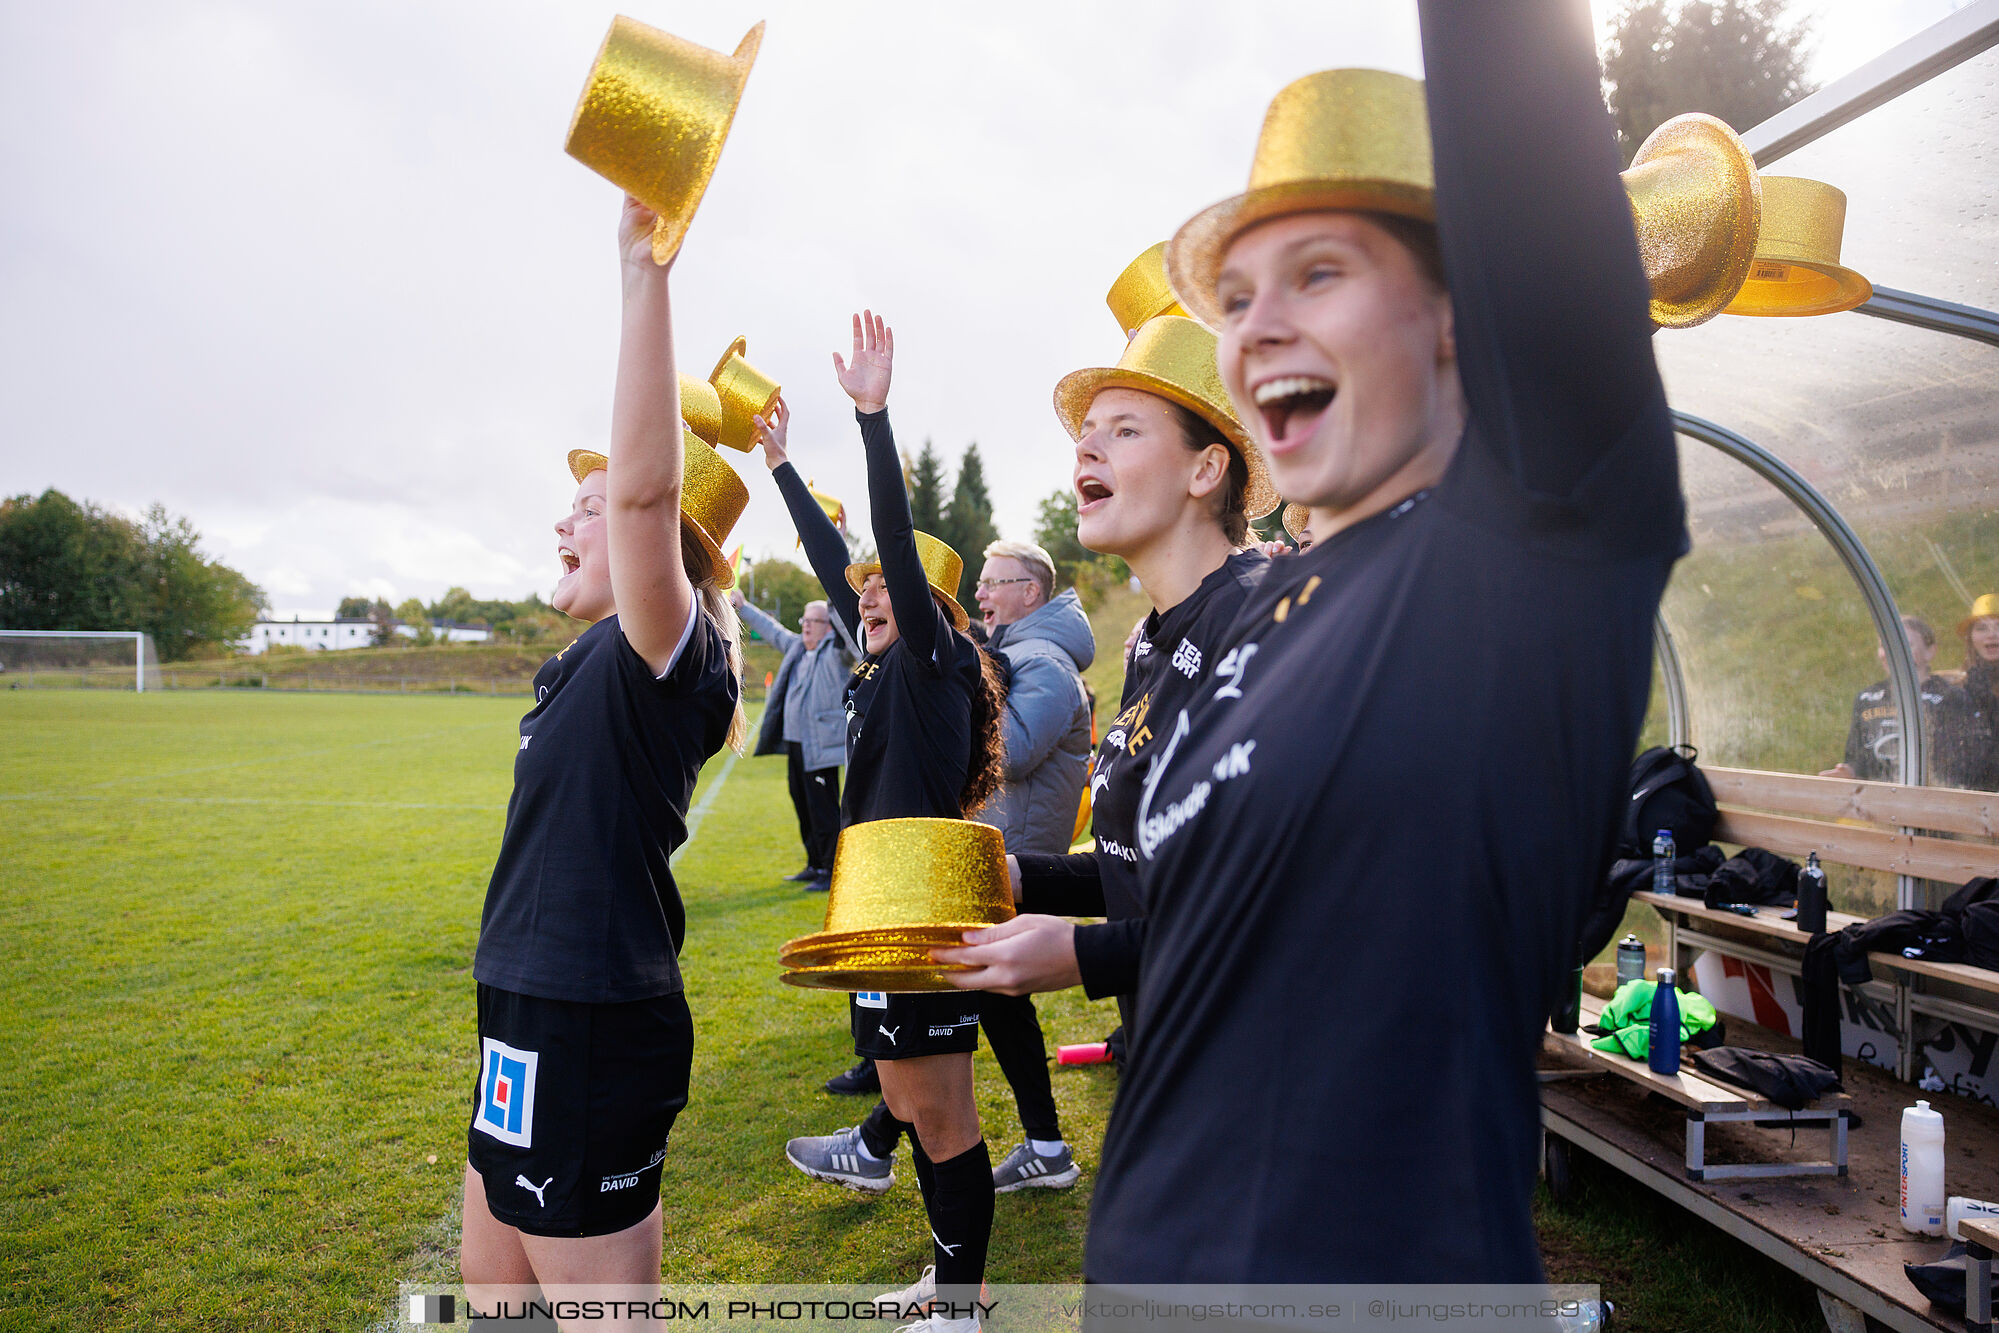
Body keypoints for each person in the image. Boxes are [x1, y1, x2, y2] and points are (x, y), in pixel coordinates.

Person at [958, 1, 1685, 1281]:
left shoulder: (1515, 557)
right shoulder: (1269, 624)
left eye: (1321, 273)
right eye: (1236, 296)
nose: (1255, 325)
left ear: (1460, 320)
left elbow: (1532, 171)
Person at [461, 197, 747, 1315]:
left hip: (592, 1017)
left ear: (652, 554)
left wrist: (644, 275)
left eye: (585, 509)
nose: (566, 524)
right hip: (523, 1006)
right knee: (497, 1293)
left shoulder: (660, 654)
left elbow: (643, 490)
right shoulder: (578, 666)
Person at [938, 306, 1276, 1067]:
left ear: (1204, 469)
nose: (1084, 445)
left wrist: (1085, 958)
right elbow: (1141, 862)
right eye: (1087, 430)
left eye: (1123, 428)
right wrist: (1017, 875)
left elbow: (1281, 901)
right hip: (1172, 1061)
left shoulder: (1261, 623)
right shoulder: (1155, 641)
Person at [762, 313, 1007, 1329]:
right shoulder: (883, 662)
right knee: (907, 1102)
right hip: (877, 902)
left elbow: (890, 550)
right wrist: (779, 469)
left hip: (920, 905)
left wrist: (872, 416)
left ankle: (962, 1300)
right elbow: (843, 567)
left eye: (885, 594)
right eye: (860, 597)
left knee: (940, 1114)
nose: (865, 597)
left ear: (930, 610)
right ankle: (949, 1281)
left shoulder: (932, 661)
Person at [733, 591, 858, 890]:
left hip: (822, 749)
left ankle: (831, 871)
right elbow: (771, 629)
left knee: (824, 812)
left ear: (829, 627)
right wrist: (744, 607)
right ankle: (814, 864)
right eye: (805, 619)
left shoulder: (838, 653)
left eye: (816, 621)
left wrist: (833, 593)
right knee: (803, 806)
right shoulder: (797, 648)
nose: (807, 626)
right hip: (797, 744)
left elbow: (846, 626)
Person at [1818, 615, 1958, 785]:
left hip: (1928, 798)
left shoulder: (1949, 698)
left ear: (1930, 651)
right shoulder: (1866, 699)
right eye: (1885, 645)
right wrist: (1850, 771)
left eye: (1907, 644)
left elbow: (1956, 765)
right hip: (1879, 800)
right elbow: (1858, 758)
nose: (1894, 651)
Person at [1947, 594, 1999, 791]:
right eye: (1982, 628)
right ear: (1970, 638)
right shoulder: (1958, 687)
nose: (1992, 635)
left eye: (1998, 626)